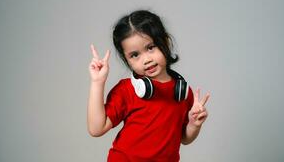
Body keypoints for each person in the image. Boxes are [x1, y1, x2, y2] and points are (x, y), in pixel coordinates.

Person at [87, 10, 210, 162]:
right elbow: (96, 129)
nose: (146, 59)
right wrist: (98, 82)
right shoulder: (127, 90)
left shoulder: (182, 92)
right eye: (135, 55)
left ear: (166, 42)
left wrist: (194, 124)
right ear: (127, 60)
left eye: (151, 47)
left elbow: (184, 138)